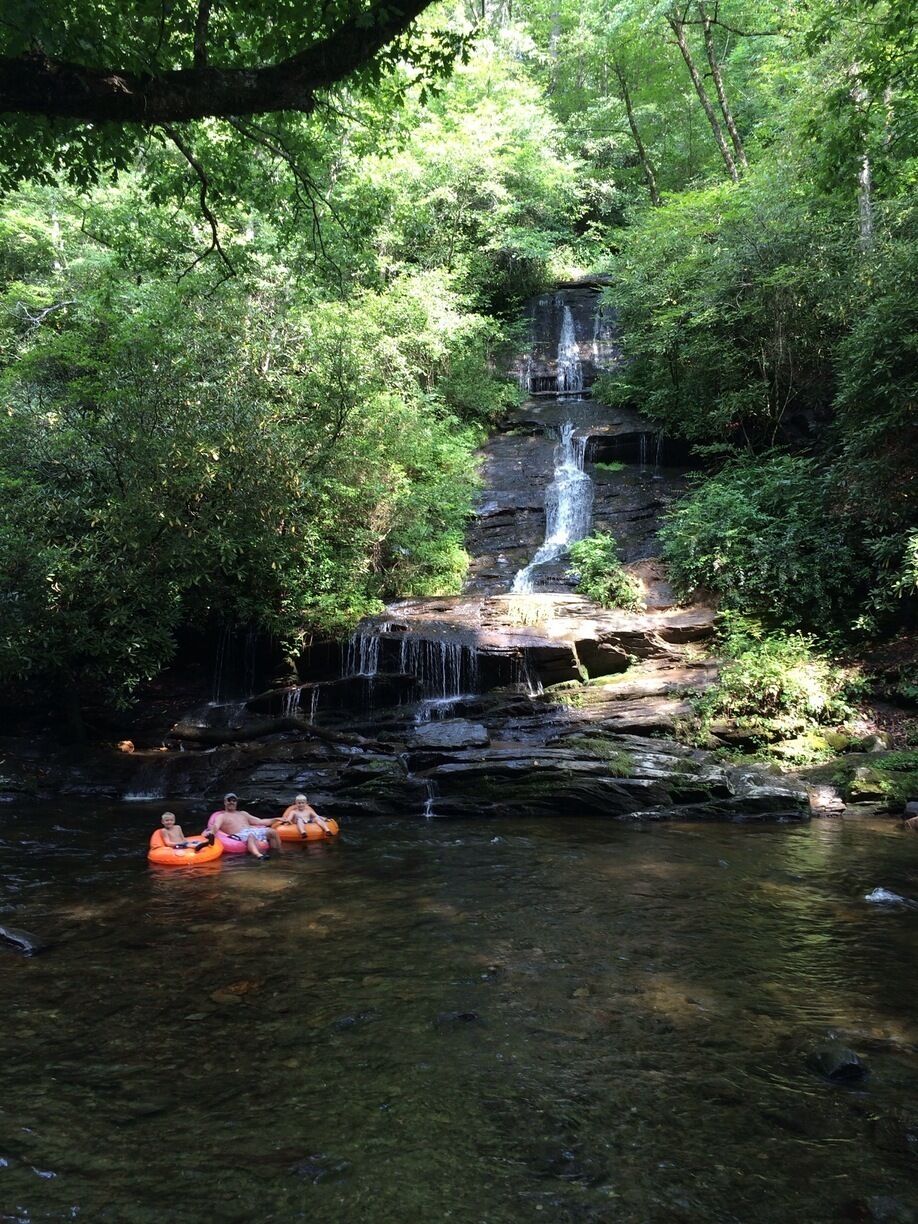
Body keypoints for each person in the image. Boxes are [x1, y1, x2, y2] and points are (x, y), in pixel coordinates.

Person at [209, 793, 282, 859]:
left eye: (234, 800)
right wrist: (212, 832)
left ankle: (278, 854)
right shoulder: (221, 816)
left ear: (236, 802)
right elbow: (216, 826)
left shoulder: (243, 813)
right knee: (251, 836)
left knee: (273, 832)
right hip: (240, 835)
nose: (231, 802)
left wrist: (277, 819)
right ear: (225, 802)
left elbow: (260, 821)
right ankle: (259, 856)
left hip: (253, 830)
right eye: (229, 800)